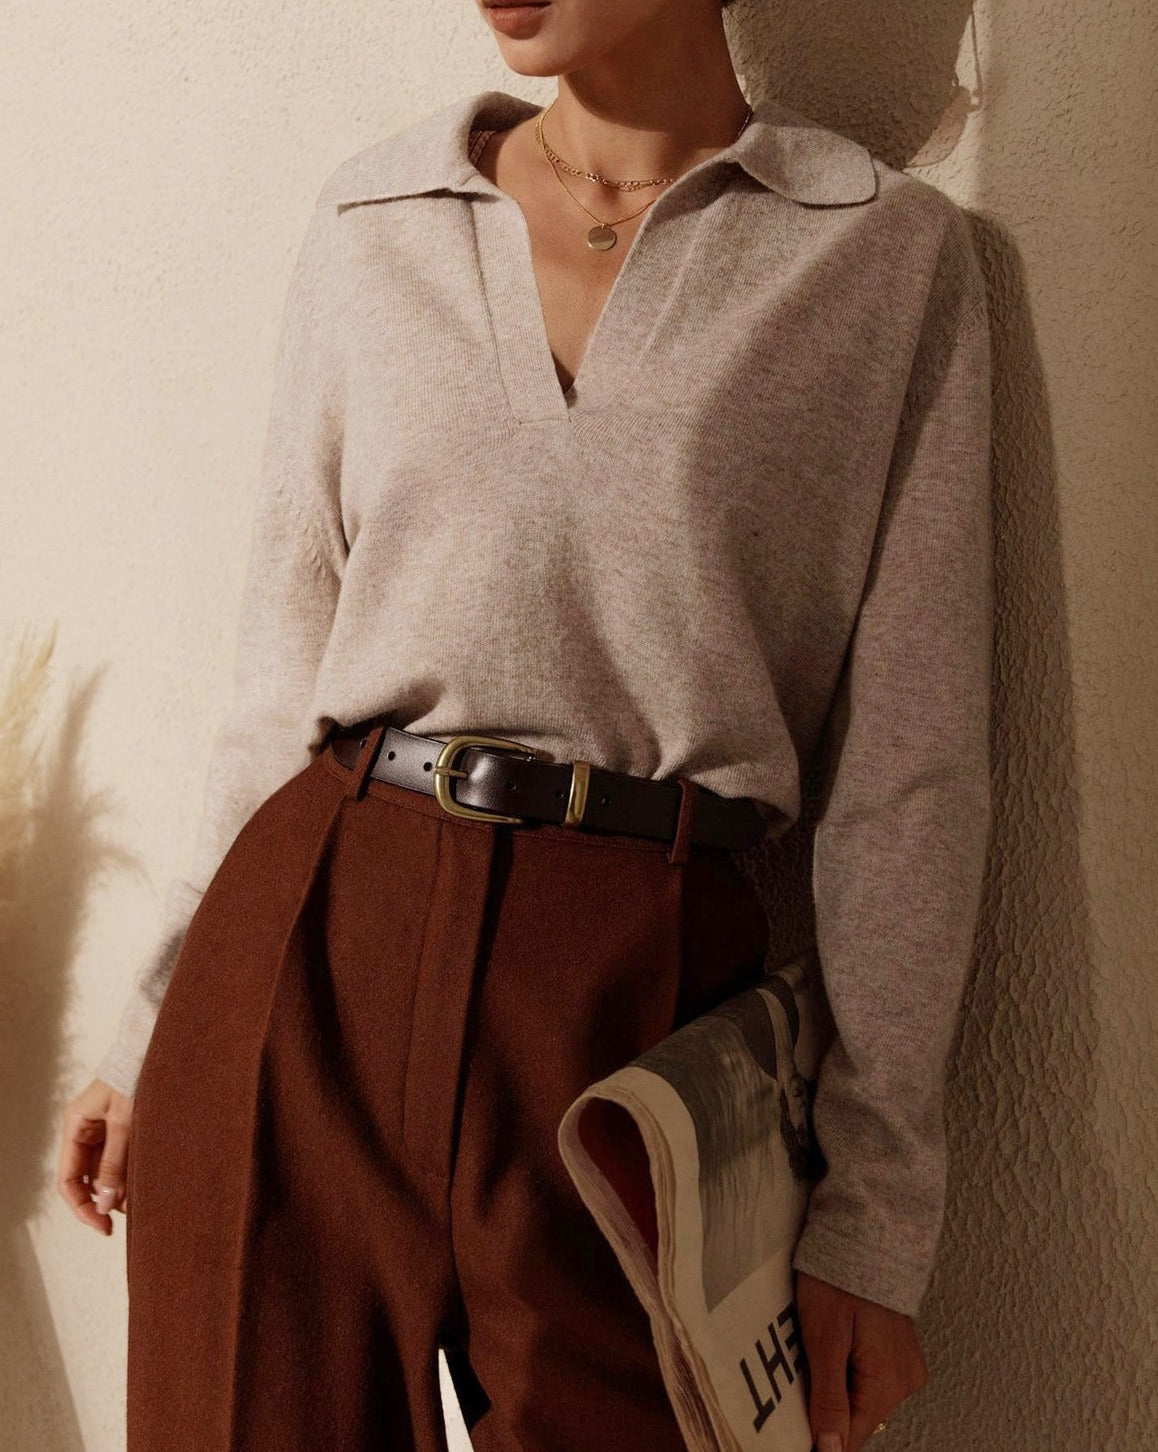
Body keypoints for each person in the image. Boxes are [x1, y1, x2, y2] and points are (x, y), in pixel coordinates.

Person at [55, 1, 993, 1449]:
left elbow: (910, 780)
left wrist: (872, 1216)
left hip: (637, 1014)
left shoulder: (878, 256)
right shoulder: (376, 219)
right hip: (311, 957)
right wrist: (155, 1016)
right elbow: (280, 678)